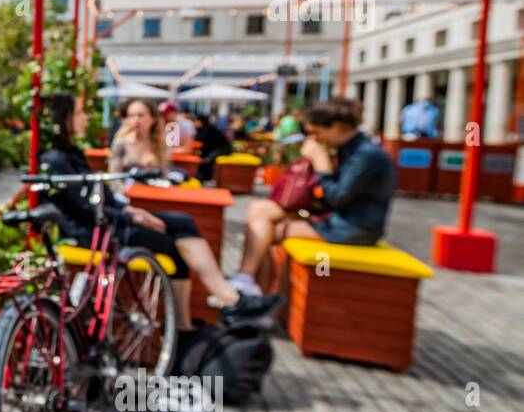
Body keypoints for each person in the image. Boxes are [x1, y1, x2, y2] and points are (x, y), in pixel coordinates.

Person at [39, 94, 281, 333]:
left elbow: (99, 194)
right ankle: (207, 313)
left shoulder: (71, 153)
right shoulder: (60, 158)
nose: (85, 118)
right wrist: (131, 215)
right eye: (80, 113)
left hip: (109, 218)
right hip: (95, 231)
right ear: (65, 118)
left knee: (184, 222)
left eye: (140, 115)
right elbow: (87, 205)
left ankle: (224, 300)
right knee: (175, 246)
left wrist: (129, 210)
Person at [233, 96, 397, 295]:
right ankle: (248, 283)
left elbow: (336, 198)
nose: (315, 139)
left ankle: (260, 294)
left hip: (351, 229)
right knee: (259, 210)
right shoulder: (348, 149)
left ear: (337, 126)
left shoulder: (366, 155)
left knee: (265, 235)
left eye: (317, 132)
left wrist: (321, 163)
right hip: (329, 218)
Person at [193, 113, 233, 183]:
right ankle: (203, 177)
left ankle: (208, 178)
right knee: (203, 157)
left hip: (223, 149)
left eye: (196, 121)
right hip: (214, 149)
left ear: (201, 121)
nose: (194, 123)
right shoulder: (203, 129)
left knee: (207, 159)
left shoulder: (208, 129)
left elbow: (199, 139)